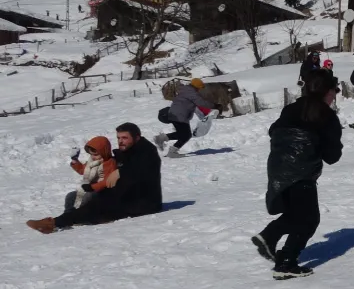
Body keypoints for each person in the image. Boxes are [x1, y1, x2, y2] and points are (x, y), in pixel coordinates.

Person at [252, 69, 343, 280]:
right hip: (302, 171)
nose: (335, 95)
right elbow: (332, 156)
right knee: (309, 219)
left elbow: (274, 131)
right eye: (334, 91)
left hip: (278, 168)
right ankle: (283, 259)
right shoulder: (326, 115)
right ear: (326, 91)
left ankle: (278, 249)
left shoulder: (291, 108)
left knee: (298, 215)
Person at [27, 123, 162, 234]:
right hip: (126, 194)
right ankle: (69, 218)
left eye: (124, 138)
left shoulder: (147, 151)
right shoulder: (129, 150)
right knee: (78, 196)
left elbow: (140, 168)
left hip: (143, 203)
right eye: (118, 138)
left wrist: (120, 172)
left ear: (137, 138)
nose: (120, 141)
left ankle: (54, 223)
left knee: (95, 204)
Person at [154, 78, 216, 158]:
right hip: (180, 115)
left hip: (175, 114)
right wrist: (214, 105)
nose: (200, 90)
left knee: (182, 134)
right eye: (200, 88)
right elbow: (201, 102)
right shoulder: (191, 93)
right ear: (197, 87)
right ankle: (172, 151)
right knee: (186, 135)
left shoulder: (185, 90)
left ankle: (162, 138)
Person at [64, 136, 117, 212]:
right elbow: (82, 170)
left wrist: (92, 187)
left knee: (87, 198)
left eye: (95, 155)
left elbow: (108, 181)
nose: (93, 157)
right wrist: (75, 161)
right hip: (91, 190)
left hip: (104, 192)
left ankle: (80, 216)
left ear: (104, 151)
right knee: (71, 196)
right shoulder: (92, 162)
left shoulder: (109, 163)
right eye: (91, 154)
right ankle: (68, 215)